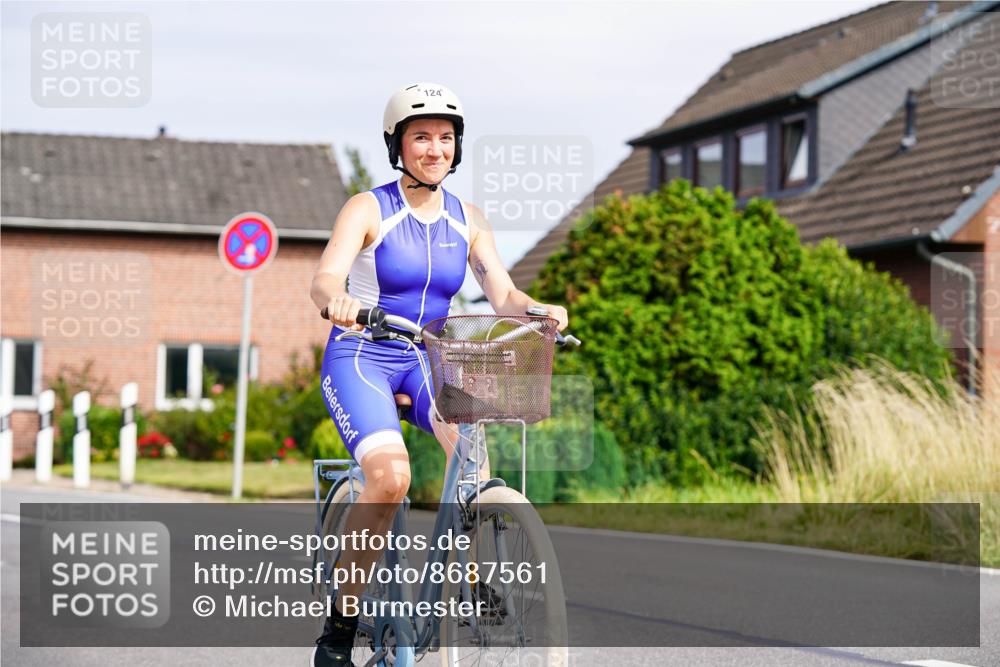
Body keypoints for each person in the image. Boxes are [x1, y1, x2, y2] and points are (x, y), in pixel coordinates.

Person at [308, 83, 569, 666]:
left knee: (473, 459)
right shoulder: (368, 208)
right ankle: (342, 626)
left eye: (445, 139)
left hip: (431, 357)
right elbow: (325, 277)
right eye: (421, 137)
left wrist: (537, 310)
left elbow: (501, 292)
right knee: (390, 480)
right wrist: (338, 301)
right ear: (399, 146)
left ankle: (473, 586)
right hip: (363, 354)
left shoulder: (467, 219)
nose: (435, 149)